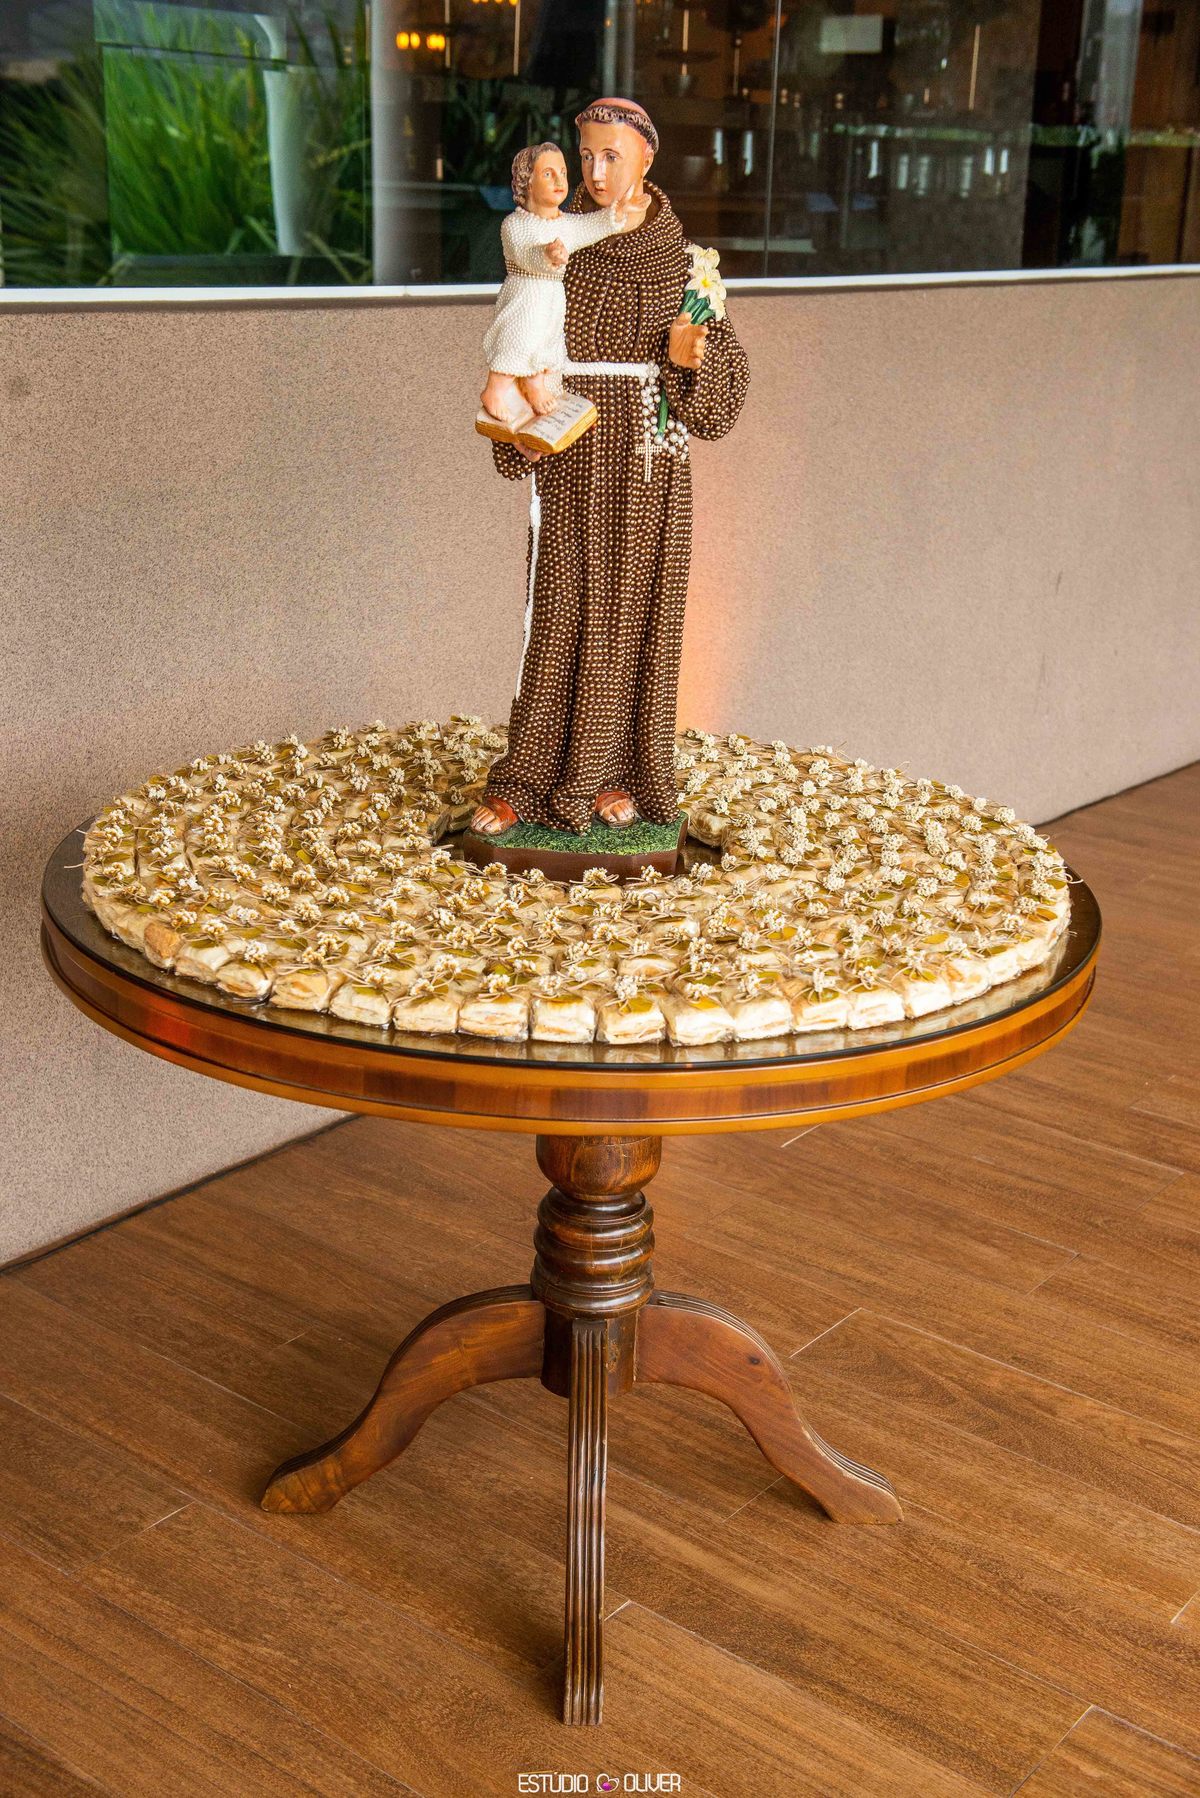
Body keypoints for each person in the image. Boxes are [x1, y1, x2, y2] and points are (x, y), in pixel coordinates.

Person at [472, 96, 750, 836]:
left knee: (634, 617)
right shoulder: (553, 242)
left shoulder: (683, 262)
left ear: (647, 159)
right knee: (558, 612)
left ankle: (616, 773)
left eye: (612, 156)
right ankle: (531, 777)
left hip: (647, 461)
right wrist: (515, 417)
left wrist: (693, 356)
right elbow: (519, 326)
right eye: (585, 155)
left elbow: (723, 399)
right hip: (572, 444)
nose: (595, 172)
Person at [478, 142, 649, 429]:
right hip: (525, 296)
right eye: (548, 174)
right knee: (519, 341)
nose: (559, 180)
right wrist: (547, 255)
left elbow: (593, 225)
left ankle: (534, 384)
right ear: (527, 181)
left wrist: (618, 211)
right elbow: (525, 253)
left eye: (563, 172)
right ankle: (495, 390)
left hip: (551, 297)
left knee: (544, 341)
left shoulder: (565, 223)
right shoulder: (515, 224)